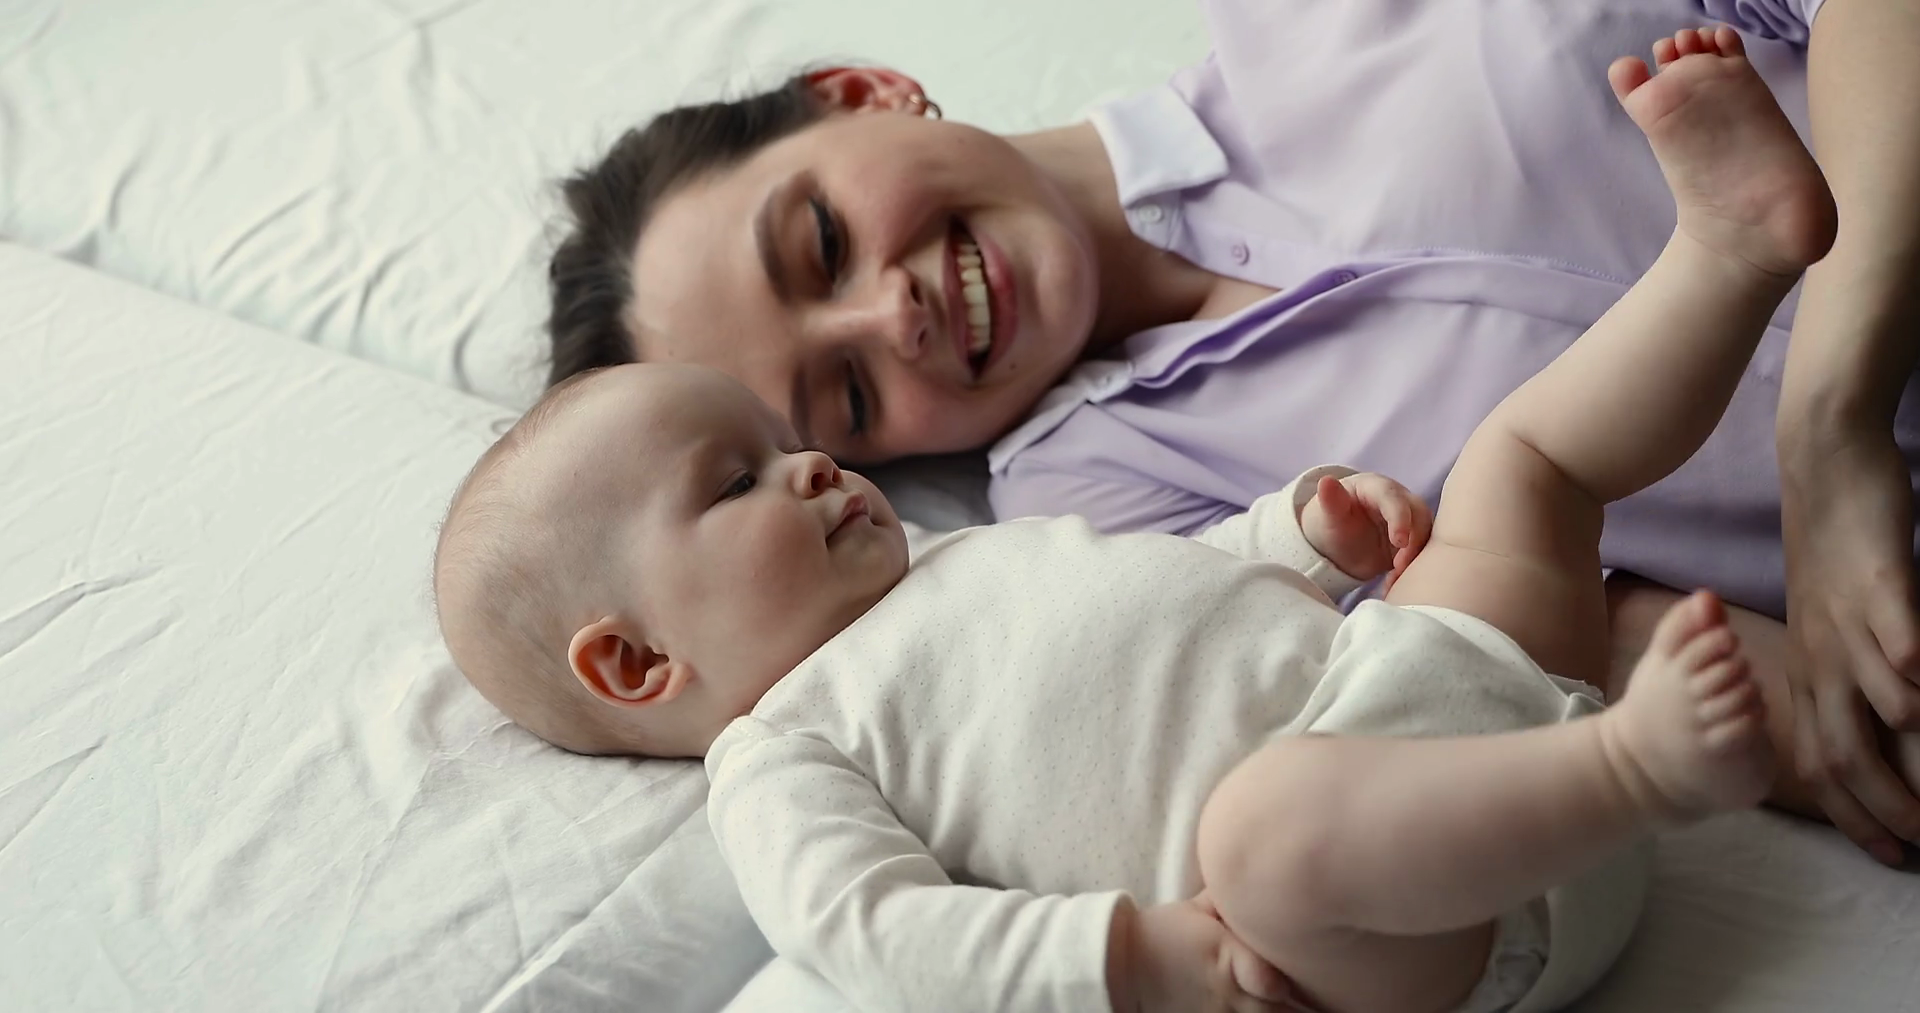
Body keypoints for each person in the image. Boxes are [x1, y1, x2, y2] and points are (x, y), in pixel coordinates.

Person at [441, 36, 1845, 1012]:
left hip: (1428, 687)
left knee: (1523, 463)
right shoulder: (784, 754)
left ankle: (1727, 254)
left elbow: (1170, 584)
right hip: (1410, 927)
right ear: (636, 665)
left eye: (820, 245)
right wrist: (1129, 964)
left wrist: (1300, 537)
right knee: (1262, 834)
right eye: (811, 425)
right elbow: (889, 938)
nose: (807, 469)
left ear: (865, 93)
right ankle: (1640, 770)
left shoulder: (962, 558)